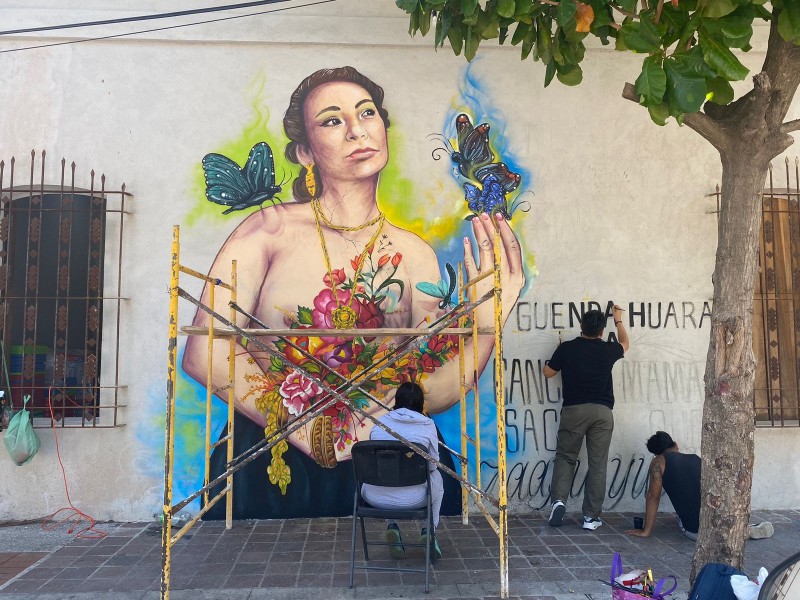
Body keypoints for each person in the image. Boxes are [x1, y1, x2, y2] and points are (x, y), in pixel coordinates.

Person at [182, 66, 526, 519]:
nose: (356, 130)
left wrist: (487, 322)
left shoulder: (414, 254)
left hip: (387, 457)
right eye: (332, 120)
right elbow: (203, 348)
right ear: (305, 152)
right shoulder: (267, 232)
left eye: (367, 113)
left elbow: (431, 386)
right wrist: (301, 423)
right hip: (273, 460)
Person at [543, 305, 628, 531]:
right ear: (601, 331)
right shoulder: (608, 350)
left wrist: (553, 359)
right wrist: (618, 320)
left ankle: (559, 500)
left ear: (581, 326)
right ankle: (591, 517)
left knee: (565, 456)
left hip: (574, 410)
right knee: (598, 464)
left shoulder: (567, 348)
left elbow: (548, 372)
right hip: (602, 412)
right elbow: (625, 344)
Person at [625, 431, 774, 541]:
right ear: (676, 445)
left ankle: (719, 533)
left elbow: (653, 497)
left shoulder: (658, 462)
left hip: (695, 531)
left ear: (656, 454)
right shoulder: (696, 459)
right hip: (717, 519)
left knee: (681, 521)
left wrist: (646, 530)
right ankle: (739, 530)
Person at [362, 381, 444, 559]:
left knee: (386, 475)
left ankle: (392, 526)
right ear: (421, 404)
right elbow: (432, 465)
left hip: (374, 496)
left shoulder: (379, 423)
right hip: (414, 498)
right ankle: (428, 530)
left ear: (396, 400)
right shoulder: (427, 425)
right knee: (438, 478)